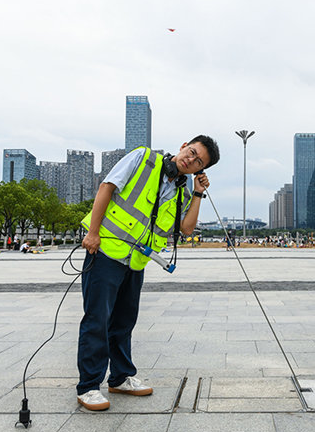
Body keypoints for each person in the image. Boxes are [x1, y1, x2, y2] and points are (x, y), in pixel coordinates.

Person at [76, 135, 219, 411]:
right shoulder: (143, 159)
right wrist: (92, 233)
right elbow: (107, 187)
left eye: (198, 162)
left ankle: (120, 377)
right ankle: (88, 386)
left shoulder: (181, 191)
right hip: (106, 251)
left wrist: (198, 192)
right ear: (182, 146)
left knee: (124, 321)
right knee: (97, 318)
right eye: (191, 152)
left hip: (135, 262)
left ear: (200, 170)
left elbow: (187, 229)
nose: (190, 160)